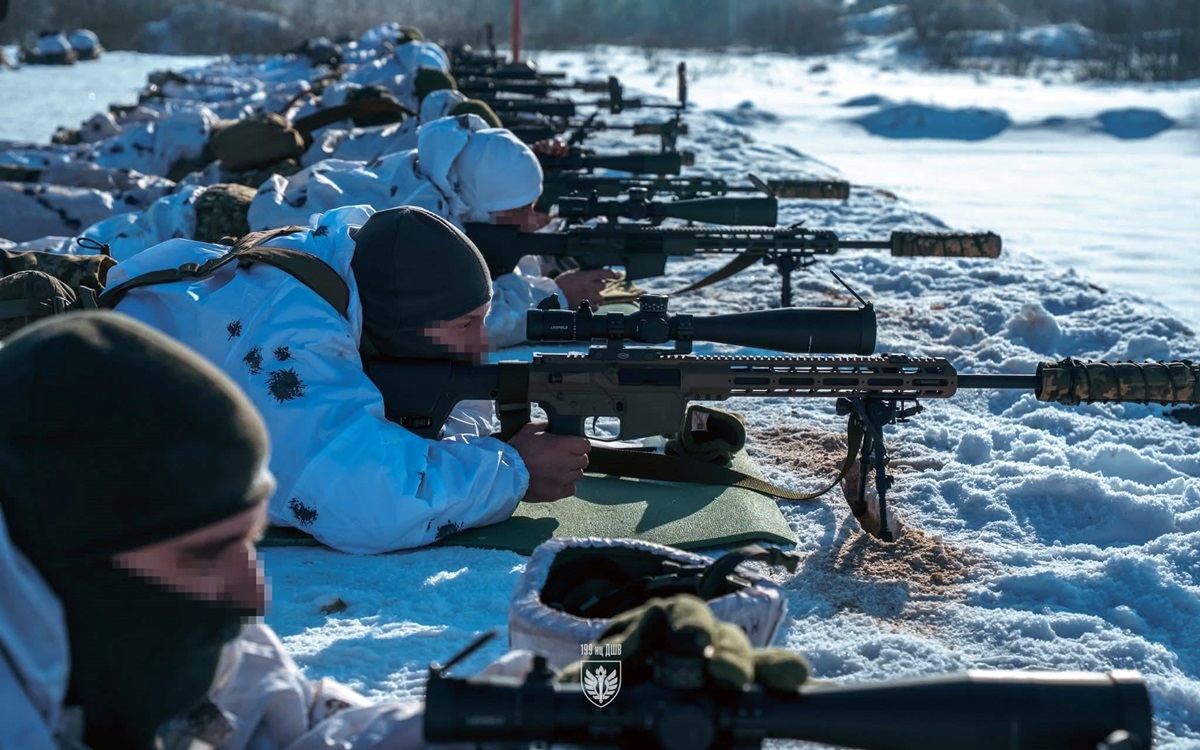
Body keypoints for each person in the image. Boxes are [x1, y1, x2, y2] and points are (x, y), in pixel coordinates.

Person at [0, 311, 457, 748]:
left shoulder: (162, 630)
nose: (255, 596)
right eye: (204, 554)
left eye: (249, 540)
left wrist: (469, 731)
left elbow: (289, 725)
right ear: (55, 559)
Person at [104, 205, 590, 554]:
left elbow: (422, 409)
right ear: (401, 322)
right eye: (466, 325)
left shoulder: (350, 274)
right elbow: (368, 504)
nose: (482, 343)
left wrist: (488, 440)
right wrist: (513, 472)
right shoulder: (296, 337)